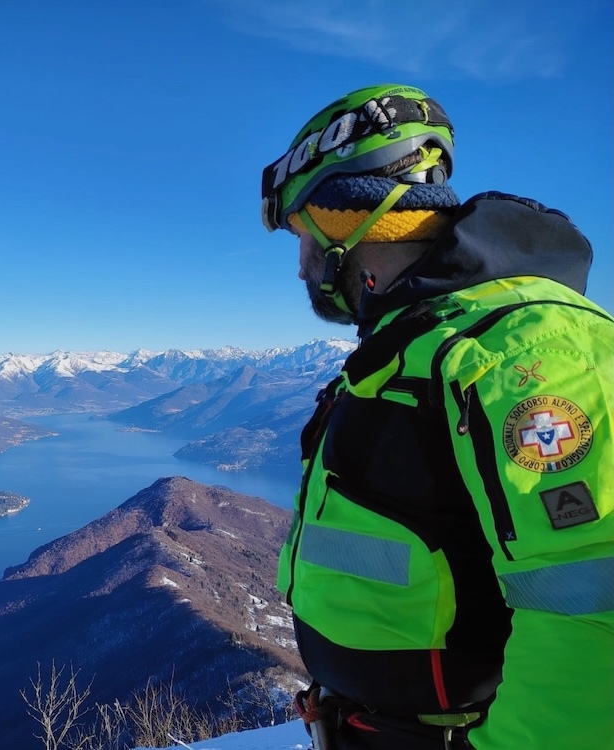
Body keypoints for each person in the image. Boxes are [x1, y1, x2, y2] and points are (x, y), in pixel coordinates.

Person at [260, 83, 614, 749]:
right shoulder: (412, 349)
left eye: (305, 237)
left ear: (348, 222)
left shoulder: (528, 351)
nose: (302, 266)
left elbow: (596, 610)